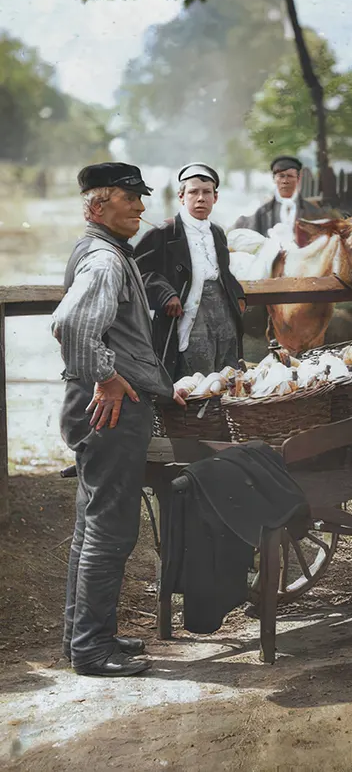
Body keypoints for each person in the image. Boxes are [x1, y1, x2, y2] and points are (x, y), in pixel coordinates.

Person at [52, 162, 184, 677]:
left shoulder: (103, 251)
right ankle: (91, 650)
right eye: (129, 197)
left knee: (92, 527)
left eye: (140, 197)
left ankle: (84, 638)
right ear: (96, 205)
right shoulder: (105, 260)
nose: (140, 206)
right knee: (110, 531)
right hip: (108, 408)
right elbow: (70, 324)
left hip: (99, 408)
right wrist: (106, 377)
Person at [134, 162, 244, 380]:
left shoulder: (217, 232)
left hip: (222, 314)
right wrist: (166, 293)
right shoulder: (165, 231)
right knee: (194, 379)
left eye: (207, 192)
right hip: (187, 315)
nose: (201, 198)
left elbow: (223, 272)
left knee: (227, 374)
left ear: (216, 197)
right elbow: (137, 273)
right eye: (193, 192)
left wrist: (237, 294)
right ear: (181, 196)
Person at [231, 155, 326, 236]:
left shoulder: (314, 212)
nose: (285, 181)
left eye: (290, 176)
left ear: (298, 178)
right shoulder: (262, 213)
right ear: (274, 179)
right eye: (281, 176)